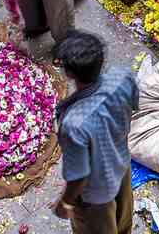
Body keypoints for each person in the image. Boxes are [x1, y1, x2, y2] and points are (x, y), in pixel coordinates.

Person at [53, 31, 137, 234]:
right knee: (123, 221)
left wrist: (65, 202)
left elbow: (79, 176)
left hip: (96, 194)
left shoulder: (74, 123)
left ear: (69, 74)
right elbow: (132, 106)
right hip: (121, 166)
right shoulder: (122, 77)